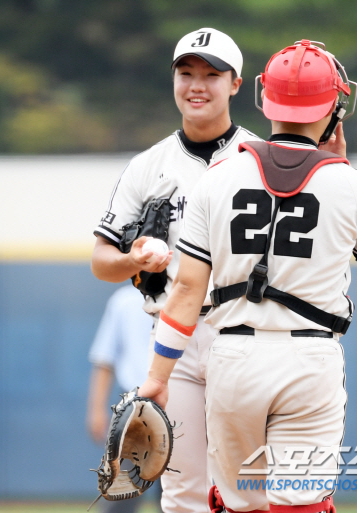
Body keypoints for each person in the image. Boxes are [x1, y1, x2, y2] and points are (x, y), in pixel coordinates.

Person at [138, 39, 357, 513]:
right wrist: (339, 164)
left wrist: (157, 378)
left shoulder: (217, 176)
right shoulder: (355, 186)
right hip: (308, 359)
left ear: (262, 97)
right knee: (300, 504)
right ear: (336, 107)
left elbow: (188, 290)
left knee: (238, 504)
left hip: (231, 357)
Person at [91, 27, 263, 513]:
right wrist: (132, 259)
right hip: (174, 342)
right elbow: (101, 260)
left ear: (235, 84)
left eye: (212, 75)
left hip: (242, 334)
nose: (197, 85)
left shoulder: (261, 159)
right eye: (186, 73)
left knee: (247, 489)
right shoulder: (148, 166)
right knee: (184, 491)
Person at [86, 285, 157, 513]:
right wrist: (96, 410)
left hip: (181, 399)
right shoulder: (124, 300)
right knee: (121, 495)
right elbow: (105, 359)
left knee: (179, 494)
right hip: (134, 407)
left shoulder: (187, 290)